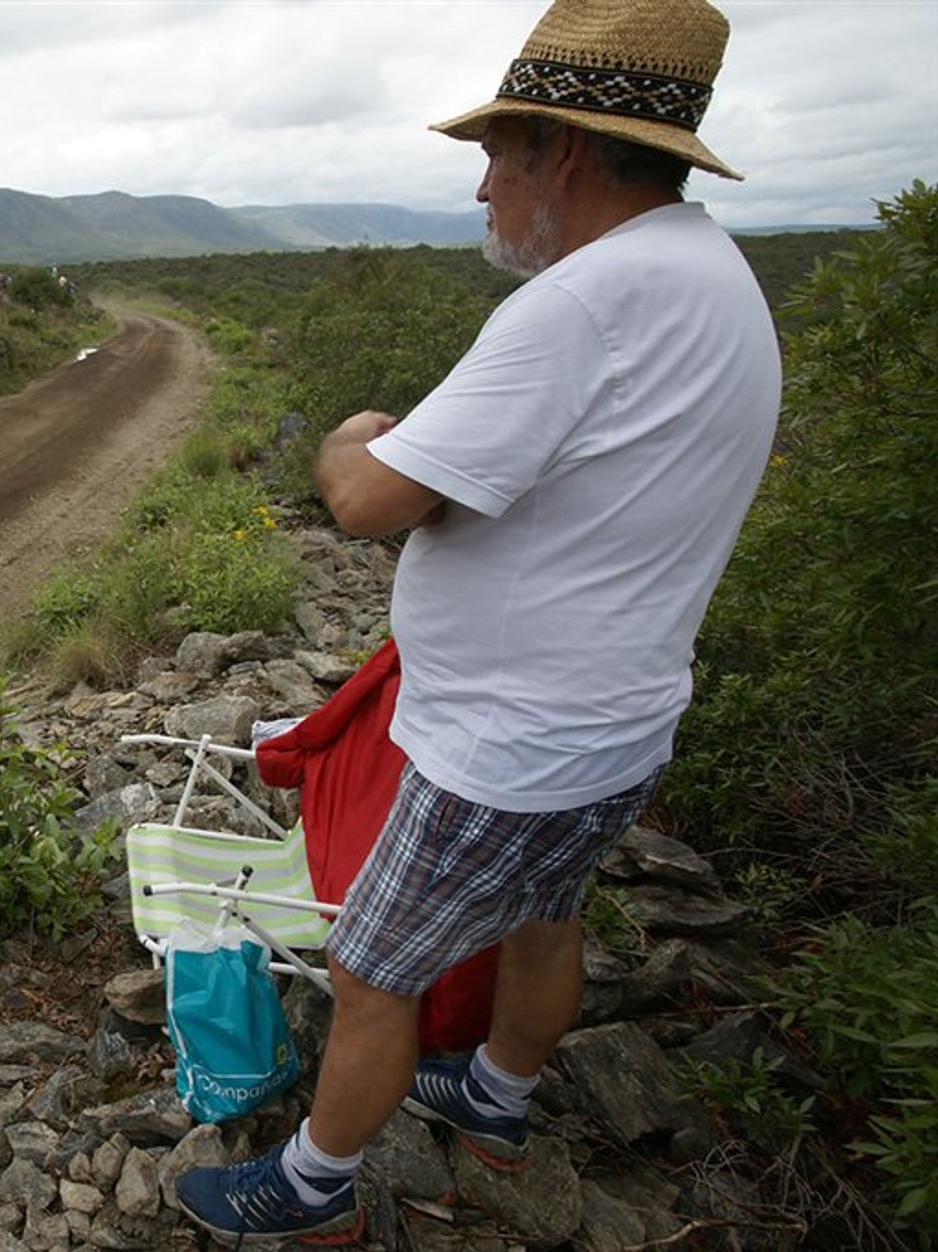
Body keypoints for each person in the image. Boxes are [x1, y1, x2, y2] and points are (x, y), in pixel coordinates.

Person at [175, 0, 782, 1243]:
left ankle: (307, 1190)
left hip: (505, 750)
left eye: (493, 157)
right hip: (615, 726)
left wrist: (351, 427)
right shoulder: (712, 274)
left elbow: (363, 497)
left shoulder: (575, 307)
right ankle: (494, 1099)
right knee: (543, 914)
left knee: (370, 970)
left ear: (560, 148)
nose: (481, 193)